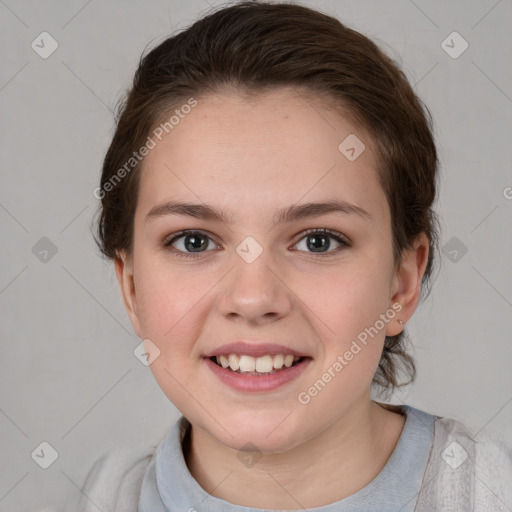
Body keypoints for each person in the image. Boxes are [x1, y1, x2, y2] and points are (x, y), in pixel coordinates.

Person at [79, 1, 512, 511]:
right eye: (194, 241)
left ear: (402, 282)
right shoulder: (96, 497)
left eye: (318, 240)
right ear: (131, 287)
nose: (253, 298)